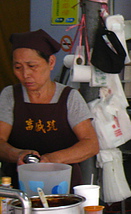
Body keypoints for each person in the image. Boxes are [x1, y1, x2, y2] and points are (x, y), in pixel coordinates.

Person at [0, 29, 99, 187]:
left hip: (62, 186)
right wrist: (17, 154)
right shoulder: (10, 95)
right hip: (17, 186)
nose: (25, 74)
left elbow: (91, 144)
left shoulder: (69, 97)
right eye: (18, 67)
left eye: (32, 66)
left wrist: (53, 159)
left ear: (51, 62)